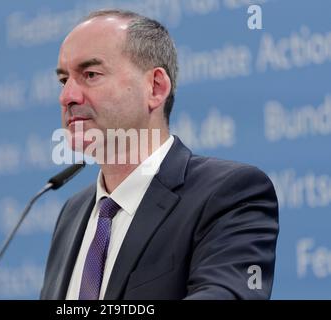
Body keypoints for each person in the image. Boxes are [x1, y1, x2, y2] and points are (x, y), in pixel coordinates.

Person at [40, 9, 279, 300]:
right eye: (64, 80)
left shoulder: (229, 194)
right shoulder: (73, 212)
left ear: (155, 87)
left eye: (90, 75)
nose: (67, 97)